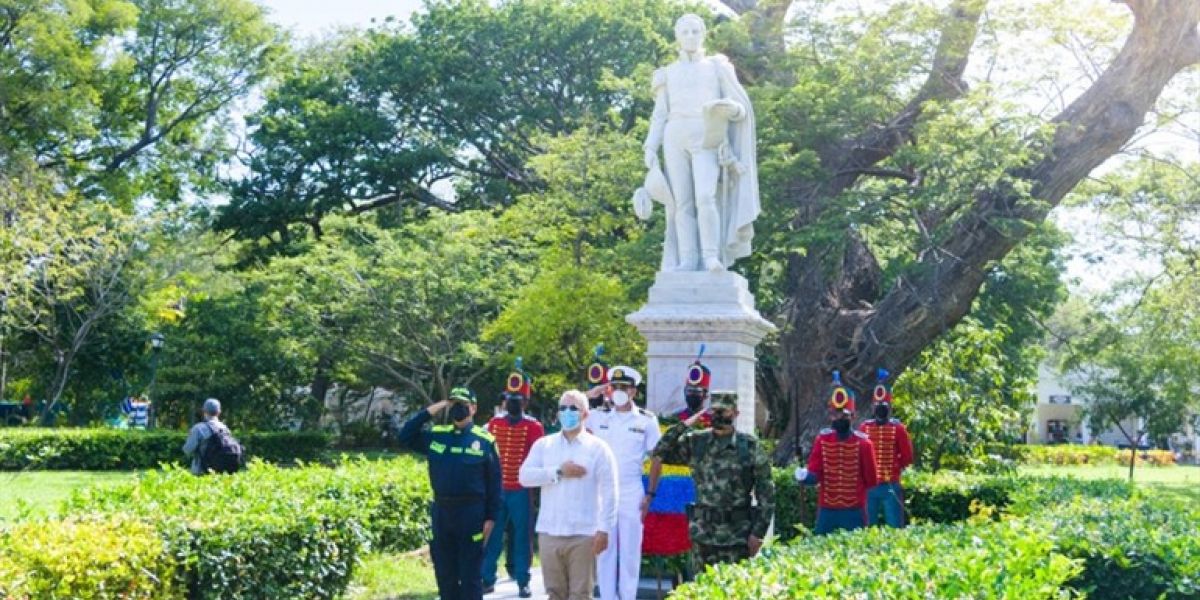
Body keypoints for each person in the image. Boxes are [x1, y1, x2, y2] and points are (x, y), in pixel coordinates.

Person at [639, 13, 760, 272]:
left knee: (705, 196)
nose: (691, 36)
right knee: (681, 202)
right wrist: (650, 146)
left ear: (703, 34)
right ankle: (688, 259)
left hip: (707, 136)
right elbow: (659, 114)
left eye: (695, 31)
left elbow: (741, 109)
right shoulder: (667, 73)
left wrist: (730, 109)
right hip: (674, 135)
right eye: (685, 32)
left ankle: (710, 257)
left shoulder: (717, 67)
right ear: (677, 37)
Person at [650, 391, 774, 572]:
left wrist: (758, 534)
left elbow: (767, 494)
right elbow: (659, 452)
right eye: (715, 411)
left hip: (737, 536)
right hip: (703, 536)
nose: (718, 416)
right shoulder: (696, 442)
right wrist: (684, 425)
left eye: (724, 412)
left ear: (735, 413)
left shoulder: (749, 447)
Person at [398, 387, 501, 600]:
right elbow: (405, 435)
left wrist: (491, 518)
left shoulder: (484, 440)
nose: (459, 409)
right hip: (443, 512)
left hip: (472, 513)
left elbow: (494, 483)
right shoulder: (438, 436)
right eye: (454, 405)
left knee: (471, 577)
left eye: (463, 405)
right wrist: (432, 410)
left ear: (473, 408)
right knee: (445, 575)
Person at [519, 390, 618, 600]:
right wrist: (557, 471)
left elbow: (610, 492)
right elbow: (524, 477)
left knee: (581, 594)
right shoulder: (544, 445)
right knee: (554, 594)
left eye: (573, 408)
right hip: (550, 532)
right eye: (563, 408)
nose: (567, 412)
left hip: (584, 533)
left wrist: (604, 529)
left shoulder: (598, 448)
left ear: (585, 414)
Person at [586, 366, 660, 600]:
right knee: (604, 549)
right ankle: (608, 597)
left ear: (633, 392)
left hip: (631, 490)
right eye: (614, 387)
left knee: (630, 551)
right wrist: (593, 393)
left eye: (623, 387)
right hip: (604, 491)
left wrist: (650, 494)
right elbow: (572, 407)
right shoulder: (599, 416)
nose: (618, 391)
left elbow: (657, 457)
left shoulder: (647, 420)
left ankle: (628, 596)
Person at [481, 362, 543, 598]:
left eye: (517, 399)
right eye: (510, 398)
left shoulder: (533, 426)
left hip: (521, 490)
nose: (512, 403)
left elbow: (538, 457)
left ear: (525, 402)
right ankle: (487, 578)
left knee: (521, 536)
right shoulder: (495, 424)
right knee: (493, 535)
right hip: (498, 491)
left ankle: (523, 580)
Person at [795, 372, 879, 534]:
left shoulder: (864, 444)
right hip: (827, 510)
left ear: (853, 416)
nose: (838, 418)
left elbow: (871, 480)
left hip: (854, 510)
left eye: (843, 414)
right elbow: (815, 474)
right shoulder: (823, 440)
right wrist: (805, 476)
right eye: (835, 414)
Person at [858, 368, 913, 528]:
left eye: (884, 404)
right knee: (868, 527)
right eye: (878, 404)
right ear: (873, 407)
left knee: (895, 526)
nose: (880, 407)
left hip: (890, 483)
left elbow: (907, 457)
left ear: (889, 406)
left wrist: (895, 468)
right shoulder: (865, 427)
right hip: (869, 486)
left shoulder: (898, 428)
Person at [182, 398, 240, 475]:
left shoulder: (198, 428)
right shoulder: (225, 429)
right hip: (221, 472)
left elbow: (187, 450)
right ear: (219, 412)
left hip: (201, 471)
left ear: (204, 411)